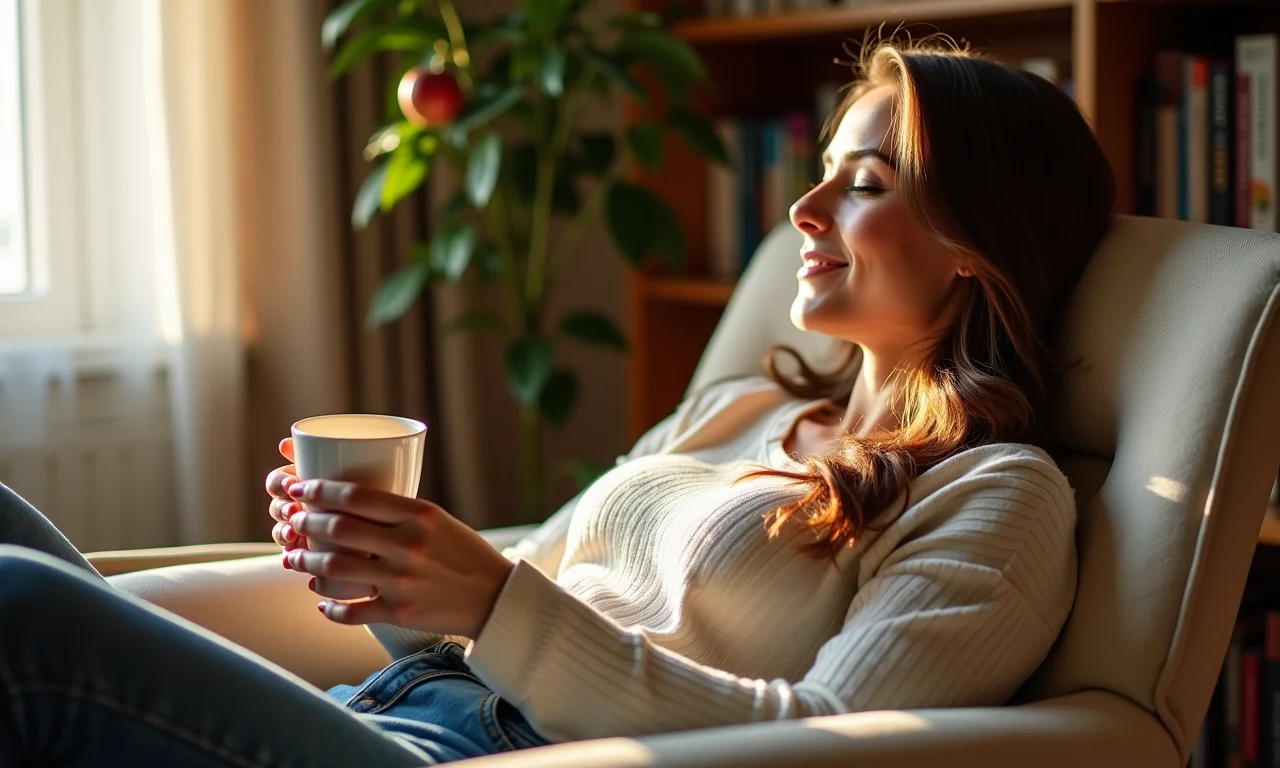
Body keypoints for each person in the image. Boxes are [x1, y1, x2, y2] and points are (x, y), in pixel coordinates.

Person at [0, 37, 1114, 766]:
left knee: (23, 611)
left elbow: (834, 740)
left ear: (978, 240)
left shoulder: (995, 498)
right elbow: (532, 583)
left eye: (863, 185)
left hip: (477, 757)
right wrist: (381, 566)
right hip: (388, 707)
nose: (804, 210)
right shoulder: (738, 411)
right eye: (821, 170)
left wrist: (490, 604)